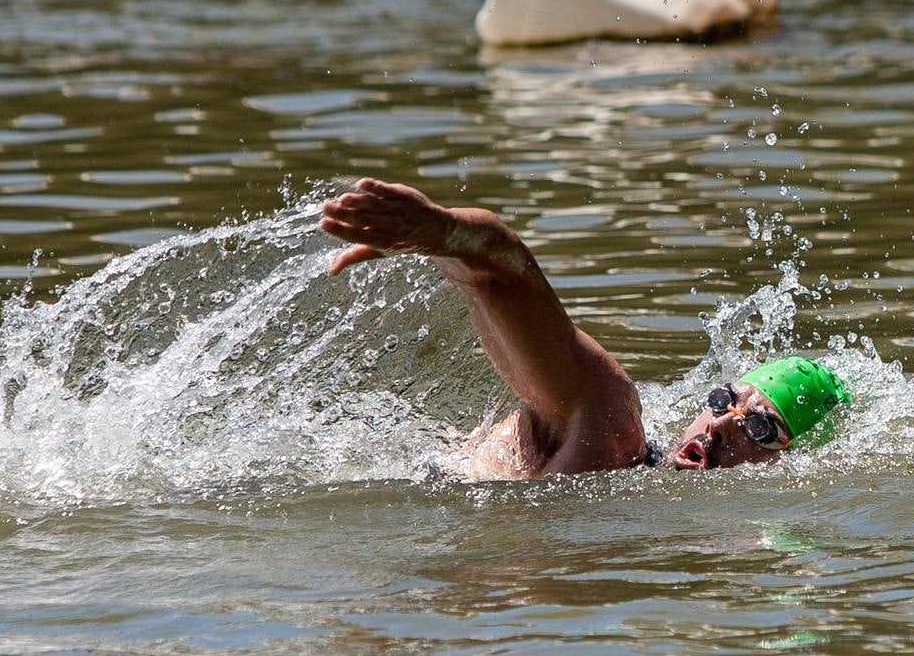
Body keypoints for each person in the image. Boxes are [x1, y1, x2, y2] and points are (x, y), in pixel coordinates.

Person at [319, 177, 850, 478]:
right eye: (720, 401)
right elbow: (502, 270)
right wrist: (445, 233)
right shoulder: (611, 425)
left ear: (791, 463)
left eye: (759, 428)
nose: (717, 428)